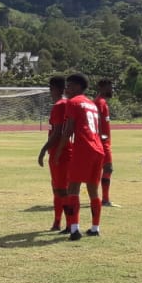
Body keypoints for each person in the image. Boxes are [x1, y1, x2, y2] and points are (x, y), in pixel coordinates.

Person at [52, 74, 105, 240]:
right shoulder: (91, 104)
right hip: (98, 149)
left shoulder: (73, 103)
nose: (66, 89)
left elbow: (68, 130)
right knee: (93, 190)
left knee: (73, 188)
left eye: (69, 86)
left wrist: (59, 151)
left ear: (77, 87)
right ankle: (95, 227)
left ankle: (74, 229)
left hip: (84, 149)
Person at [37, 76, 69, 231]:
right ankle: (57, 223)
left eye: (51, 88)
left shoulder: (60, 105)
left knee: (62, 190)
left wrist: (43, 150)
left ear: (57, 89)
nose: (50, 91)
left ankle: (70, 225)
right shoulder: (66, 104)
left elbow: (57, 133)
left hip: (61, 153)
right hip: (63, 152)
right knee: (58, 188)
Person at [95, 79, 118, 208]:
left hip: (104, 142)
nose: (112, 90)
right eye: (110, 87)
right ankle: (105, 199)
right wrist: (102, 139)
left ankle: (103, 199)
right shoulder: (99, 103)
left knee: (103, 170)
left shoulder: (102, 102)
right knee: (107, 168)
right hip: (102, 143)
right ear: (102, 88)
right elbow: (95, 123)